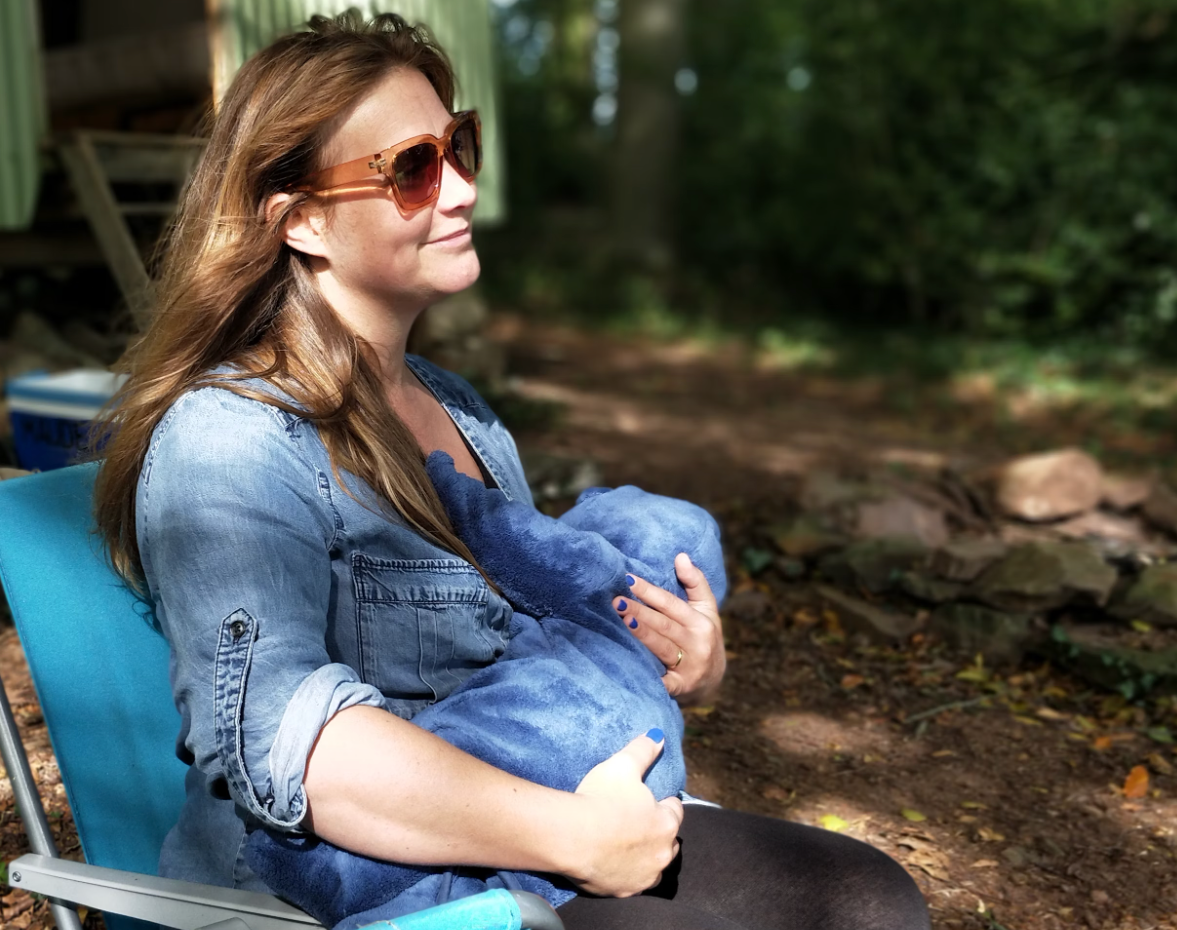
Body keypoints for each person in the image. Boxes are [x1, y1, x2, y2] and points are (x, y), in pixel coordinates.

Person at [93, 12, 930, 930]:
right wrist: (574, 839)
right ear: (302, 223)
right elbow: (293, 744)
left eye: (460, 146)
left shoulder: (459, 411)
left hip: (518, 839)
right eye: (412, 168)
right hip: (344, 893)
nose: (458, 191)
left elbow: (538, 638)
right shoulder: (231, 439)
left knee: (865, 899)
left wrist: (669, 653)